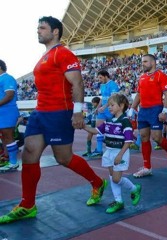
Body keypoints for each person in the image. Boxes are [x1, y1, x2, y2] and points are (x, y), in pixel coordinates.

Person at [0, 16, 107, 224]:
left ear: (55, 31)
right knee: (29, 153)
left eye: (42, 27)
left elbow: (78, 83)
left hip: (59, 112)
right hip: (40, 113)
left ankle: (97, 182)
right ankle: (27, 204)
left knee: (64, 158)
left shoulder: (63, 53)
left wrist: (78, 112)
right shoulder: (44, 56)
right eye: (37, 27)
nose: (38, 31)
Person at [84, 93, 141, 213]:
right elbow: (96, 131)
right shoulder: (109, 120)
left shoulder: (125, 122)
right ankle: (119, 201)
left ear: (121, 106)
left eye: (112, 105)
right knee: (112, 177)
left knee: (116, 178)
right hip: (109, 151)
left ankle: (134, 188)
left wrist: (120, 155)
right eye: (109, 105)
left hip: (120, 152)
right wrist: (83, 126)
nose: (109, 107)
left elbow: (128, 141)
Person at [128, 54, 167, 177]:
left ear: (153, 63)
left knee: (156, 138)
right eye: (142, 61)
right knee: (143, 137)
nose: (142, 63)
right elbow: (138, 94)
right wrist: (132, 108)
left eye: (145, 61)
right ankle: (147, 167)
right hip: (143, 110)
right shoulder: (142, 77)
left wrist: (164, 111)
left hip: (156, 109)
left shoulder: (161, 76)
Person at [89, 70, 119, 158]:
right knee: (98, 128)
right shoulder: (102, 85)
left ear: (106, 76)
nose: (99, 79)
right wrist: (98, 107)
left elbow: (113, 98)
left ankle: (116, 147)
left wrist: (105, 107)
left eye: (100, 77)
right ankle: (99, 150)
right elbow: (102, 98)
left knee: (112, 129)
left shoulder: (113, 84)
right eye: (98, 78)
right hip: (102, 110)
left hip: (111, 109)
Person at [0, 59, 19, 172]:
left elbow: (9, 95)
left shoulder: (7, 78)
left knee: (8, 137)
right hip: (2, 112)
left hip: (7, 112)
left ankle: (13, 162)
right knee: (5, 137)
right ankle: (8, 159)